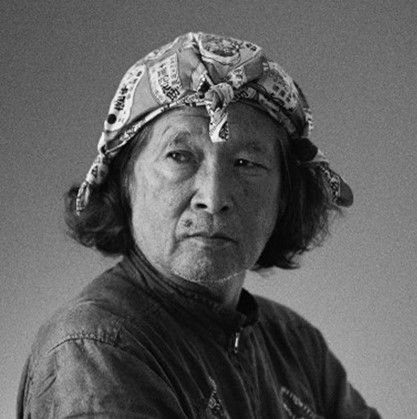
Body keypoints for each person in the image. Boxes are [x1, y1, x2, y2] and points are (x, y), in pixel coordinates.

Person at [17, 32, 381, 418]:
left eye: (246, 163)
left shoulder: (296, 346)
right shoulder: (95, 349)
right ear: (125, 181)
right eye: (179, 156)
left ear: (285, 195)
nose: (213, 195)